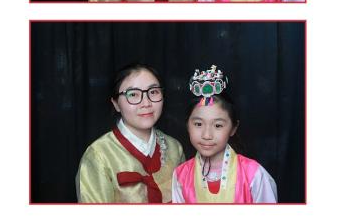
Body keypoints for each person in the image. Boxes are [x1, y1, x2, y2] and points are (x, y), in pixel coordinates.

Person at [76, 64, 185, 203]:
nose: (146, 103)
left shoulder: (175, 148)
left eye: (153, 92)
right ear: (116, 104)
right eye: (133, 94)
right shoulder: (98, 155)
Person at [172, 66, 278, 203]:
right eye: (198, 124)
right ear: (187, 125)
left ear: (233, 128)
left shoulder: (254, 174)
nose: (207, 135)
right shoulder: (180, 176)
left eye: (218, 125)